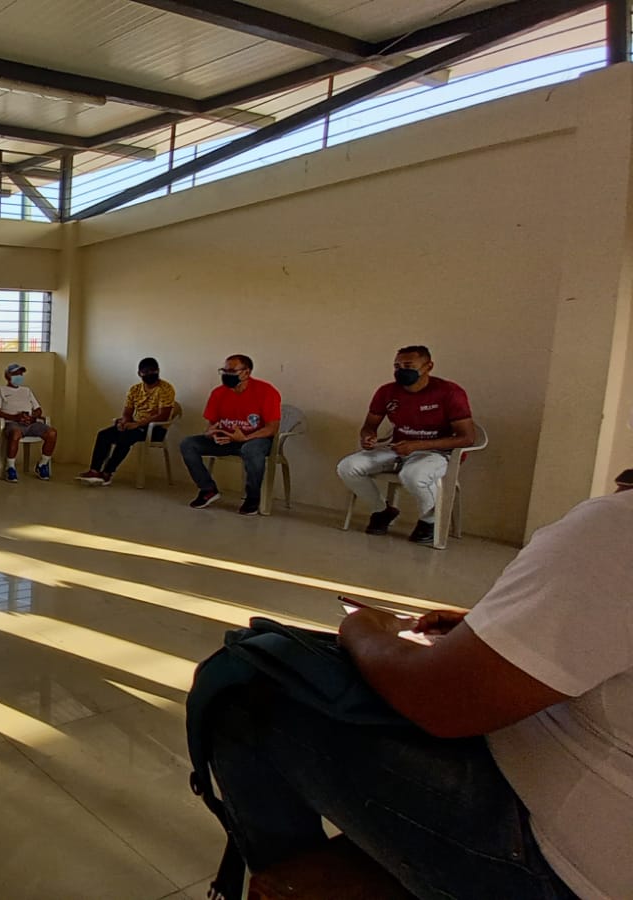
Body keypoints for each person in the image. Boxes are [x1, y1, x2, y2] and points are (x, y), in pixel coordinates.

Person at [201, 489, 633, 900]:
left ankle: (291, 876)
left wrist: (363, 627)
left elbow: (442, 701)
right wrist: (509, 631)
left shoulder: (616, 528)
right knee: (359, 465)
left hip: (565, 871)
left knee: (244, 682)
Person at [336, 346, 477, 545]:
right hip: (398, 447)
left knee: (412, 475)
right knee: (348, 467)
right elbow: (369, 426)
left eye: (408, 366)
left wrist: (418, 445)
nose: (401, 371)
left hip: (438, 453)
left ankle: (430, 521)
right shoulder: (387, 392)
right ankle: (382, 511)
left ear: (428, 366)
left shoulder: (449, 392)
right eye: (397, 366)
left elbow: (467, 438)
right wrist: (368, 437)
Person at [179, 354, 282, 515]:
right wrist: (211, 433)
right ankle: (208, 490)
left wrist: (245, 438)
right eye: (224, 371)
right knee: (188, 444)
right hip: (226, 440)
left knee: (251, 450)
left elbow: (272, 428)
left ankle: (252, 498)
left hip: (255, 440)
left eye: (232, 371)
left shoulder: (266, 391)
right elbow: (211, 424)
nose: (227, 375)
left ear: (246, 372)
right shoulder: (218, 393)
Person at [77, 357, 175, 486]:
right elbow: (127, 412)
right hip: (135, 425)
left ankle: (107, 473)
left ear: (158, 371)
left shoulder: (165, 389)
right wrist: (123, 422)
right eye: (146, 372)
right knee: (104, 435)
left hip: (155, 429)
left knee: (126, 437)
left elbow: (163, 415)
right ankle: (94, 471)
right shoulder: (135, 390)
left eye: (153, 371)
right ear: (139, 373)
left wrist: (137, 424)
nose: (150, 374)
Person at [0, 362, 57, 483]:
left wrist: (32, 417)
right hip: (12, 423)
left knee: (52, 433)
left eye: (21, 374)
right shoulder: (1, 390)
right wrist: (14, 417)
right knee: (15, 433)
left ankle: (42, 464)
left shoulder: (27, 391)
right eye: (16, 374)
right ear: (7, 376)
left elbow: (38, 409)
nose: (19, 376)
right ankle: (10, 468)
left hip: (31, 423)